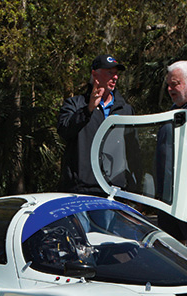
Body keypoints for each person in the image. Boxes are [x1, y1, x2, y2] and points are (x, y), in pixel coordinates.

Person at [58, 54, 135, 195]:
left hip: (115, 191)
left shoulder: (125, 109)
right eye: (110, 73)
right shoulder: (75, 104)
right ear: (95, 75)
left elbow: (133, 149)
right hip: (81, 190)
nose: (115, 77)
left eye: (116, 74)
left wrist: (135, 187)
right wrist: (88, 110)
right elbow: (64, 131)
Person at [156, 60, 187, 240]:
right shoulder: (172, 112)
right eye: (168, 85)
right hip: (166, 200)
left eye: (175, 84)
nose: (170, 89)